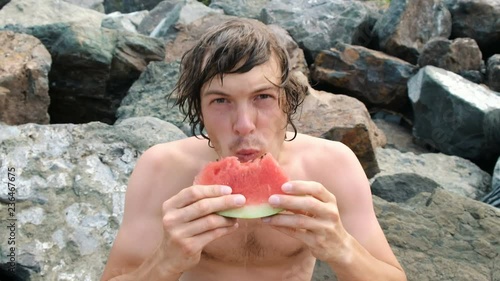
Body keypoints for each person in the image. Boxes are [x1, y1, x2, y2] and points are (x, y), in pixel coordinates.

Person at [100, 18, 407, 281]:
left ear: (287, 102)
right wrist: (165, 261)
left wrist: (341, 247)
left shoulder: (332, 165)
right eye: (221, 101)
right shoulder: (161, 169)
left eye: (263, 97)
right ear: (200, 111)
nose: (244, 125)